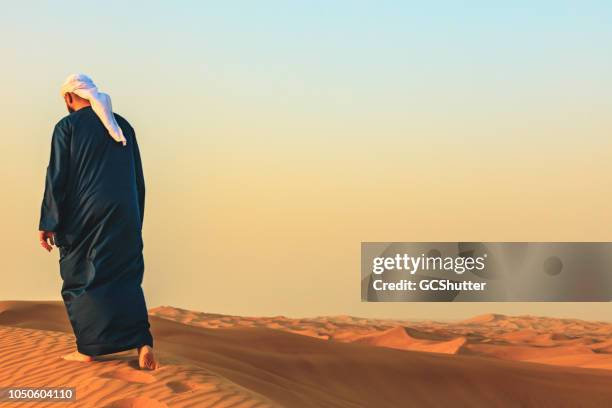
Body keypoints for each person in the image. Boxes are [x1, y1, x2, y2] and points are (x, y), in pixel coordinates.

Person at [38, 74, 158, 370]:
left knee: (81, 276)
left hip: (86, 214)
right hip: (125, 211)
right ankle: (142, 342)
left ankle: (88, 349)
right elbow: (137, 178)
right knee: (125, 274)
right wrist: (134, 217)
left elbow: (57, 178)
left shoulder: (66, 127)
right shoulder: (123, 125)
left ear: (69, 98)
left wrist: (48, 221)